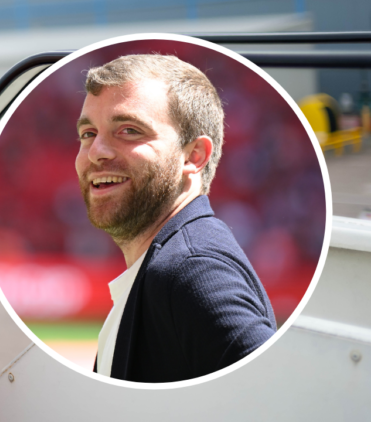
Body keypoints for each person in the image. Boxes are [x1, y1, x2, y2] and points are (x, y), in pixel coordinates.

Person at [75, 54, 276, 383]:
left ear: (194, 156)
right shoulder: (170, 260)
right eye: (87, 133)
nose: (96, 151)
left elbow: (277, 392)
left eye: (128, 130)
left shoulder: (192, 269)